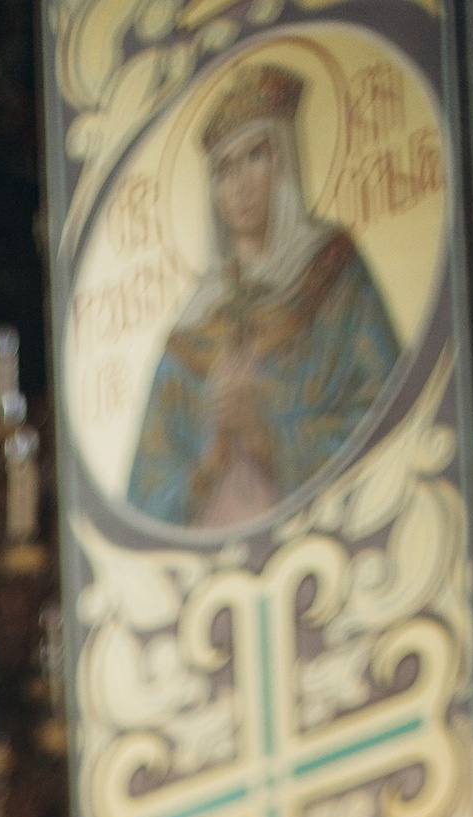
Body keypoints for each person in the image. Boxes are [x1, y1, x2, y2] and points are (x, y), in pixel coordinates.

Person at [126, 59, 400, 529]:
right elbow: (145, 496)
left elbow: (390, 420)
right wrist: (209, 464)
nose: (240, 185)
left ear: (284, 161)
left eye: (256, 155)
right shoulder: (192, 325)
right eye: (224, 169)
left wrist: (270, 439)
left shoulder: (334, 276)